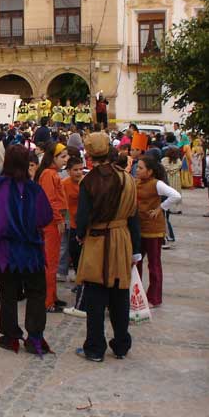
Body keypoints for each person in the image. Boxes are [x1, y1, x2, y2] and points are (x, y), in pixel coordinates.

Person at [75, 132, 140, 362]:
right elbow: (134, 215)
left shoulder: (89, 181)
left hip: (98, 239)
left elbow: (82, 217)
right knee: (119, 293)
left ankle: (95, 347)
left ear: (90, 154)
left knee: (95, 295)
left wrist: (80, 235)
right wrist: (136, 246)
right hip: (122, 237)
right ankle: (121, 344)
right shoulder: (127, 178)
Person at [0, 144, 53, 356]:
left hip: (6, 250)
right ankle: (34, 337)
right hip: (30, 249)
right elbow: (45, 217)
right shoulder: (34, 189)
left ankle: (10, 335)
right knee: (35, 292)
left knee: (8, 293)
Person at [136, 156, 181, 308]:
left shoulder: (157, 184)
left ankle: (154, 297)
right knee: (136, 262)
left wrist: (161, 208)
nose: (137, 170)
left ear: (150, 172)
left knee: (154, 264)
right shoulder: (136, 183)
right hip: (138, 227)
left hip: (153, 229)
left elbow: (176, 196)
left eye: (141, 168)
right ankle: (137, 294)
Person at [34, 142, 69, 313]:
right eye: (62, 157)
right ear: (53, 158)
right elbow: (50, 200)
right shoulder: (49, 174)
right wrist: (59, 220)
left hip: (54, 222)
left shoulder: (51, 173)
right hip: (51, 223)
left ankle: (52, 296)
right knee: (50, 261)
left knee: (52, 260)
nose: (66, 160)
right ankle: (48, 301)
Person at [61, 155, 86, 318]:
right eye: (75, 170)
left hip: (84, 224)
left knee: (83, 255)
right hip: (71, 224)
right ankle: (78, 280)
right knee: (74, 252)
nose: (78, 172)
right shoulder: (64, 184)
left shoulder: (87, 182)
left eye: (80, 169)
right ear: (68, 171)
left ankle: (82, 281)